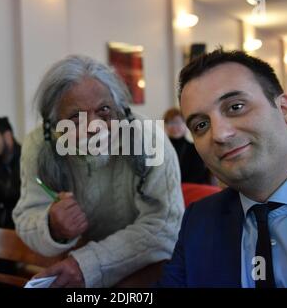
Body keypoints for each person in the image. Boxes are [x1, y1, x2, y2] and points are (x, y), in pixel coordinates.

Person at [157, 49, 287, 287]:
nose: (220, 134)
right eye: (201, 125)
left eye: (236, 107)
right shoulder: (200, 221)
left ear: (285, 109)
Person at [12, 55, 184, 288]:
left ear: (120, 110)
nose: (94, 127)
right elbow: (26, 218)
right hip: (76, 268)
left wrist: (87, 264)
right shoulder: (40, 146)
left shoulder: (149, 139)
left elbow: (164, 226)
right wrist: (52, 226)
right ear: (54, 124)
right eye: (75, 117)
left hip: (144, 269)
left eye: (104, 110)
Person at [163, 107, 211, 184]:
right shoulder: (160, 150)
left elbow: (197, 177)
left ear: (185, 125)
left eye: (178, 122)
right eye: (170, 122)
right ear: (165, 126)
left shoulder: (195, 149)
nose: (174, 127)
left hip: (190, 191)